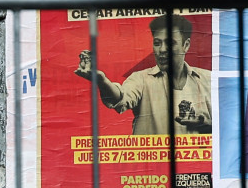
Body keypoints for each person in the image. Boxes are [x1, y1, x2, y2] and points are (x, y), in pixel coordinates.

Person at [74, 14, 212, 136]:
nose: (162, 50)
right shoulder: (140, 79)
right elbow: (121, 98)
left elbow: (229, 127)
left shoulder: (209, 80)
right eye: (157, 43)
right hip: (153, 163)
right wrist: (102, 81)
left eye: (170, 43)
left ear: (186, 45)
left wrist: (206, 125)